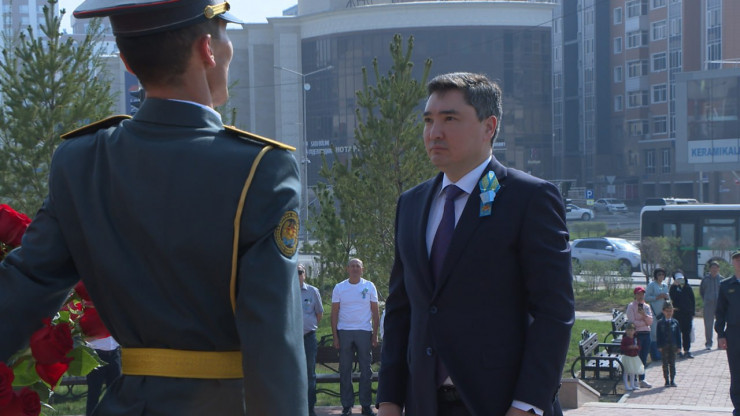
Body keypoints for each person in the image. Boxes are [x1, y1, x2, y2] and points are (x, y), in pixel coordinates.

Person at [0, 1, 307, 414]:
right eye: (224, 33)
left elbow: (24, 288)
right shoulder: (259, 168)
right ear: (207, 49)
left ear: (126, 61)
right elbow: (274, 338)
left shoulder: (81, 162)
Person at [377, 72, 574, 416]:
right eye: (428, 120)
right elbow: (400, 310)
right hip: (425, 404)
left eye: (450, 119)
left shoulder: (528, 198)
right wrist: (389, 400)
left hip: (502, 404)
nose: (434, 132)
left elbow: (554, 312)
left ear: (488, 127)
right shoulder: (411, 204)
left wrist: (526, 405)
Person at [331, 258, 380, 416]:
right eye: (352, 266)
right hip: (344, 331)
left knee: (366, 370)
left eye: (357, 266)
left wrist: (375, 334)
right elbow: (334, 313)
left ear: (362, 269)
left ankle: (366, 405)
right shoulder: (339, 287)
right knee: (345, 370)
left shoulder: (369, 286)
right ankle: (347, 406)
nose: (354, 268)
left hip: (364, 331)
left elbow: (375, 312)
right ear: (347, 269)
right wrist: (335, 337)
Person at [716, 249, 740, 416]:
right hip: (734, 333)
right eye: (736, 259)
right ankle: (738, 407)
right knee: (736, 371)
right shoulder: (725, 285)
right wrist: (721, 334)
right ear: (732, 262)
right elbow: (720, 312)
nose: (739, 262)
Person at [299, 264, 324, 416]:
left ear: (305, 274)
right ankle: (295, 407)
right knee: (292, 373)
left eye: (300, 272)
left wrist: (308, 326)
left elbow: (319, 313)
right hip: (291, 341)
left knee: (310, 374)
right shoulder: (286, 290)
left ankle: (309, 408)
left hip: (308, 338)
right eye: (295, 272)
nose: (298, 275)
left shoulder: (313, 291)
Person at [86, 335, 122, 415]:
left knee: (115, 393)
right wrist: (102, 333)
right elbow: (85, 338)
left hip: (114, 354)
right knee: (94, 394)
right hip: (95, 355)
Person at [626, 286, 653, 388]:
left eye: (642, 294)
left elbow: (650, 321)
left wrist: (644, 316)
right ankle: (634, 380)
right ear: (635, 295)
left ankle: (642, 379)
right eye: (638, 294)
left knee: (644, 357)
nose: (640, 296)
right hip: (637, 334)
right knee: (636, 357)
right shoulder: (631, 306)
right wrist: (644, 323)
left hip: (646, 334)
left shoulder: (646, 307)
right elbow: (632, 322)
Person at [669, 270, 696, 358]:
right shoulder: (673, 288)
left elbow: (692, 300)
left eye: (681, 279)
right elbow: (672, 297)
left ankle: (687, 350)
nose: (680, 281)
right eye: (678, 279)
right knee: (677, 333)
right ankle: (678, 351)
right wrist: (674, 286)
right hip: (677, 313)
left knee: (686, 333)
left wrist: (692, 312)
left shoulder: (688, 287)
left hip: (687, 314)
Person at [645, 267, 670, 361]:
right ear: (656, 276)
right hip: (654, 313)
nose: (661, 276)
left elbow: (668, 298)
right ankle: (654, 355)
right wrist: (657, 297)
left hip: (663, 312)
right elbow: (646, 298)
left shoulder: (664, 285)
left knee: (662, 333)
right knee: (654, 333)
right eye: (659, 274)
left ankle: (662, 353)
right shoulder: (652, 285)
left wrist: (666, 297)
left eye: (663, 274)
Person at [656, 302, 681, 387]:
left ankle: (672, 380)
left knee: (672, 363)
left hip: (673, 346)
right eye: (667, 311)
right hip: (664, 346)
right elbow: (658, 335)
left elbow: (678, 335)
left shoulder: (675, 322)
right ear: (663, 311)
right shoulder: (660, 323)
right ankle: (666, 380)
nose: (669, 313)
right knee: (665, 364)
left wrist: (679, 346)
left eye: (670, 311)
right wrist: (659, 346)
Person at [701, 261, 723, 350]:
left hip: (720, 305)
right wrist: (706, 299)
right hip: (708, 305)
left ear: (718, 269)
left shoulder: (722, 280)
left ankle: (720, 343)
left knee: (720, 323)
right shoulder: (705, 279)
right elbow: (702, 291)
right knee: (708, 324)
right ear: (709, 269)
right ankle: (709, 343)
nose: (714, 269)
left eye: (716, 268)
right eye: (713, 268)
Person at [620, 322, 644, 391]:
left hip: (634, 357)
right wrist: (629, 347)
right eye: (628, 330)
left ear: (634, 331)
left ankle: (632, 385)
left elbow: (639, 347)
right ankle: (626, 386)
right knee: (626, 372)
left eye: (631, 330)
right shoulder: (625, 339)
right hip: (627, 357)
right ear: (626, 331)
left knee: (633, 372)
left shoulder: (635, 339)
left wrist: (637, 347)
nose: (630, 332)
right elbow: (622, 347)